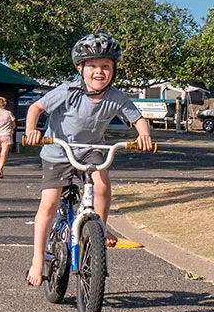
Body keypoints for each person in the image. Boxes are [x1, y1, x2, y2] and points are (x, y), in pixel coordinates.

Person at [23, 33, 155, 287]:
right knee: (49, 203)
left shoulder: (116, 97)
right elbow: (35, 108)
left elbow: (137, 119)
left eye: (106, 66)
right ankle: (38, 259)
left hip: (89, 149)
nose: (99, 72)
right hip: (58, 150)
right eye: (92, 66)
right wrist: (32, 130)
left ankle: (99, 230)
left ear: (114, 71)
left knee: (102, 185)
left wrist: (144, 135)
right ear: (80, 68)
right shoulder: (68, 91)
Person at [0, 96, 17, 178]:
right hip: (6, 134)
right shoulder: (8, 113)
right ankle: (0, 170)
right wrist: (11, 129)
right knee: (4, 154)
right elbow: (13, 123)